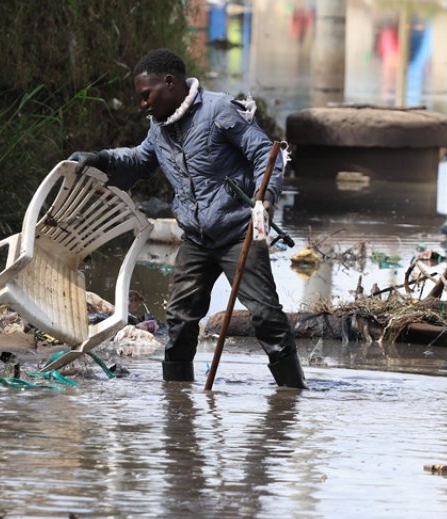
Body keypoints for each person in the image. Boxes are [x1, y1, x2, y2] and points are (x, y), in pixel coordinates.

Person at [70, 48, 305, 388]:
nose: (144, 104)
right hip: (196, 239)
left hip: (239, 233)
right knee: (180, 321)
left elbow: (265, 156)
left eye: (147, 95)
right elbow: (139, 161)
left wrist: (263, 201)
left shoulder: (220, 111)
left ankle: (293, 395)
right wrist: (102, 159)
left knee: (266, 315)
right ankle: (178, 403)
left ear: (170, 83)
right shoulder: (159, 128)